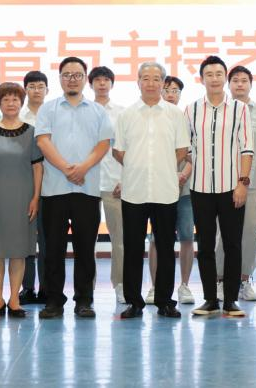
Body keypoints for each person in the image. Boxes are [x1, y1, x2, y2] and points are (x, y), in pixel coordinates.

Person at [34, 57, 114, 319]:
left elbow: (103, 144)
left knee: (85, 249)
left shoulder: (98, 111)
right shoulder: (48, 109)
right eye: (67, 74)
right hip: (54, 189)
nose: (72, 79)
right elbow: (43, 141)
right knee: (53, 249)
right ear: (60, 78)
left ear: (84, 79)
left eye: (77, 75)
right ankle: (54, 300)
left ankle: (84, 300)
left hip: (87, 190)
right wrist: (67, 169)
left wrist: (82, 169)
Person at [114, 62, 191, 319]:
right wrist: (138, 166)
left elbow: (182, 150)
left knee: (166, 247)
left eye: (156, 78)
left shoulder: (174, 114)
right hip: (134, 191)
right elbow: (119, 151)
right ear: (138, 82)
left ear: (163, 83)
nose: (151, 83)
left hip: (165, 190)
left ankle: (165, 301)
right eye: (145, 78)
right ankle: (134, 302)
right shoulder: (126, 115)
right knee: (133, 248)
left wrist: (161, 166)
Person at [184, 56, 254, 318]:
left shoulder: (240, 109)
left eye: (218, 74)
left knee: (233, 244)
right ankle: (210, 299)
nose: (214, 79)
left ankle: (231, 300)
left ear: (225, 77)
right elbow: (186, 147)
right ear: (202, 79)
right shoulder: (191, 110)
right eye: (209, 74)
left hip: (231, 187)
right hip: (200, 187)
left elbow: (247, 148)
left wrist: (242, 183)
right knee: (205, 246)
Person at [0, 82, 45, 318]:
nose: (11, 103)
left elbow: (37, 168)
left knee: (18, 250)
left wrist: (35, 198)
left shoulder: (32, 132)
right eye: (6, 99)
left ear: (21, 102)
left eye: (15, 99)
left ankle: (14, 299)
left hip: (23, 199)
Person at [148, 75, 195, 305]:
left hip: (184, 189)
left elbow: (194, 155)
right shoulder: (151, 119)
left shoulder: (189, 120)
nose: (170, 94)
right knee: (156, 239)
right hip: (157, 188)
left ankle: (184, 286)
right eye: (166, 89)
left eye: (175, 90)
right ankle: (154, 286)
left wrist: (183, 174)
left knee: (186, 237)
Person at [222, 65, 256, 302]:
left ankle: (245, 279)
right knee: (222, 233)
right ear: (229, 84)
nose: (239, 84)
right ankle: (221, 280)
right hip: (223, 181)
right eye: (235, 80)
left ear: (251, 84)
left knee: (250, 232)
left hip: (253, 181)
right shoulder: (221, 109)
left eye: (244, 80)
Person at [92, 66, 128, 303]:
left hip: (115, 183)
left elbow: (129, 149)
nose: (102, 84)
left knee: (120, 240)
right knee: (87, 241)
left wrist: (125, 179)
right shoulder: (83, 111)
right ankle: (87, 288)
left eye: (106, 80)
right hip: (87, 183)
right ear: (91, 84)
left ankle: (121, 285)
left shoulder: (122, 113)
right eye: (98, 80)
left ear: (112, 84)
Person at [19, 70, 49, 304]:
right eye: (32, 86)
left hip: (51, 185)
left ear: (47, 90)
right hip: (23, 185)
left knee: (48, 240)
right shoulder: (17, 116)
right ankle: (27, 287)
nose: (36, 91)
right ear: (25, 90)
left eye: (40, 87)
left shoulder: (54, 114)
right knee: (25, 240)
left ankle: (47, 288)